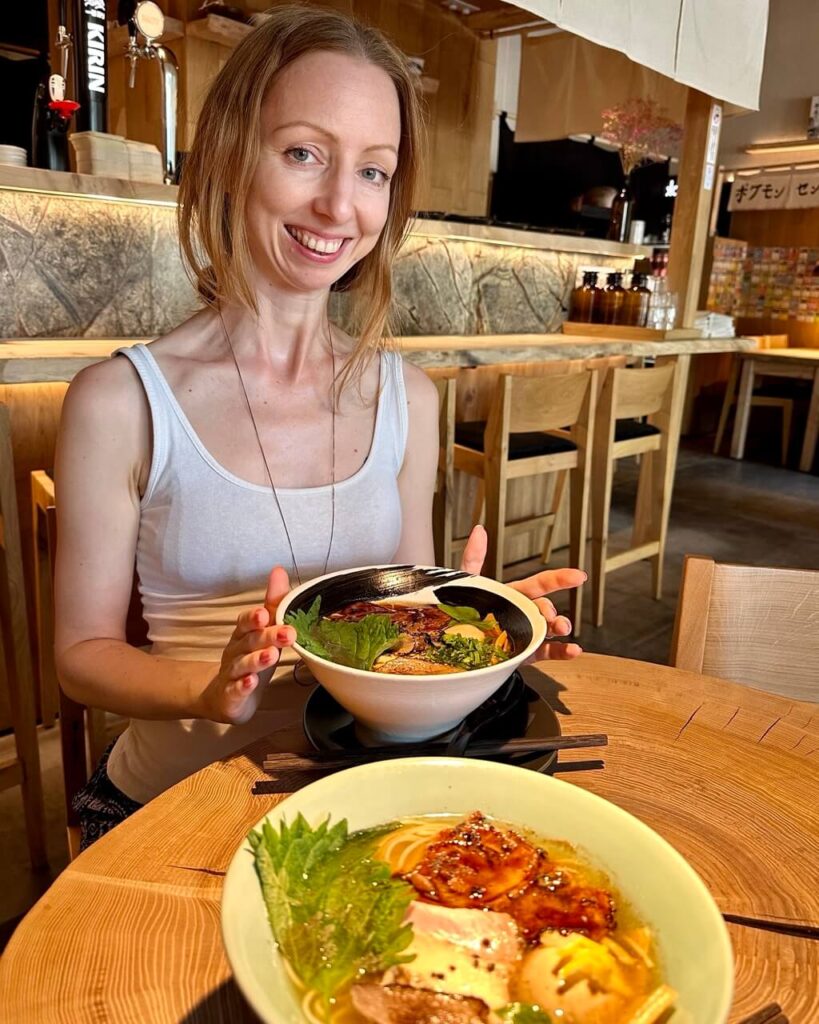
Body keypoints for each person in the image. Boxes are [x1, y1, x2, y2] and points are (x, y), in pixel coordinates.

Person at [54, 4, 585, 850]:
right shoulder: (118, 401)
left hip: (359, 810)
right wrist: (207, 688)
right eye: (304, 153)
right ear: (231, 154)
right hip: (171, 816)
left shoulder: (408, 396)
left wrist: (477, 630)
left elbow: (402, 607)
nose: (340, 205)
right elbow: (81, 654)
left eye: (374, 172)